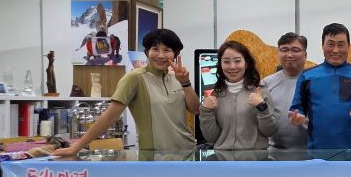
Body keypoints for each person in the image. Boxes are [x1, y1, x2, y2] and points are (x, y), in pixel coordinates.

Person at [53, 28, 199, 156]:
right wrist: (76, 147)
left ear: (175, 54)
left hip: (187, 153)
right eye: (155, 49)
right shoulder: (134, 78)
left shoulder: (178, 77)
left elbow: (195, 109)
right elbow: (109, 116)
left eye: (167, 50)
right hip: (154, 157)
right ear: (147, 52)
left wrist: (185, 83)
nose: (160, 55)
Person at [289, 23, 351, 152]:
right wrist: (297, 117)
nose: (336, 50)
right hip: (317, 151)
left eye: (341, 44)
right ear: (322, 45)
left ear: (349, 46)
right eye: (331, 44)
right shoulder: (307, 76)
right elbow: (297, 107)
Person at [199, 40, 277, 151]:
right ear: (220, 65)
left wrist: (262, 107)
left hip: (255, 158)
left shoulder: (260, 92)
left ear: (246, 63)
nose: (232, 66)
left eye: (237, 61)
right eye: (226, 62)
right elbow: (211, 138)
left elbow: (269, 131)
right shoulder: (215, 95)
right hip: (223, 158)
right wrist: (206, 111)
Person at [262, 32, 309, 151]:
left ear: (305, 55)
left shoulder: (315, 81)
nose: (289, 54)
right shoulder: (266, 83)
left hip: (309, 151)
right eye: (284, 50)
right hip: (274, 152)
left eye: (295, 50)